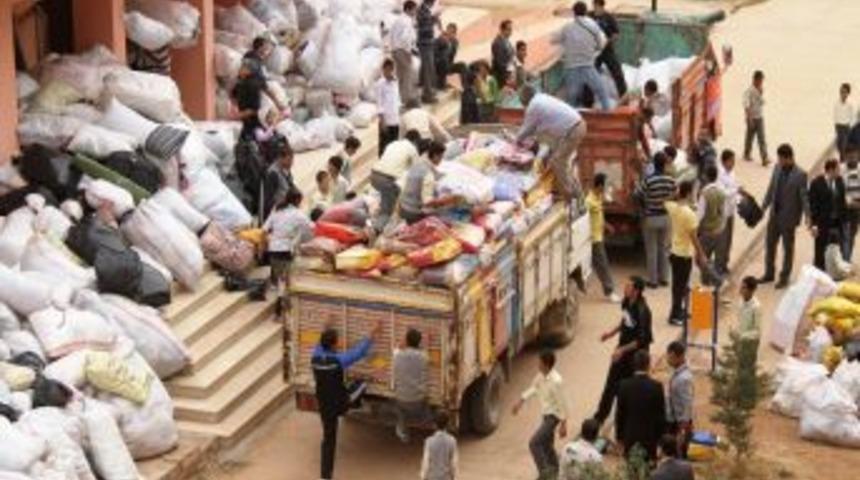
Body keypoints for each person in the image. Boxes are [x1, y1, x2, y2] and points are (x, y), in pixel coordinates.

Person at [312, 323, 382, 480]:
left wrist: (325, 327)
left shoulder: (314, 358)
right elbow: (358, 352)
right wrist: (372, 333)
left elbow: (319, 345)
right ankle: (356, 403)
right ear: (334, 344)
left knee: (328, 439)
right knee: (363, 383)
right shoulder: (338, 361)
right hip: (341, 404)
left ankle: (325, 476)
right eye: (337, 341)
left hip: (324, 406)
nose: (339, 343)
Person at [594, 277, 653, 425]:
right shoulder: (627, 302)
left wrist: (621, 350)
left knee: (628, 390)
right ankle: (600, 417)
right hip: (622, 350)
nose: (624, 288)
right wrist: (610, 334)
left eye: (628, 286)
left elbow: (641, 340)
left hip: (635, 357)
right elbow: (625, 321)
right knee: (610, 386)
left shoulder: (642, 311)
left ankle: (627, 420)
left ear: (636, 291)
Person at [514, 84, 587, 202]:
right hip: (575, 126)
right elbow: (536, 129)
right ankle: (571, 191)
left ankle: (571, 195)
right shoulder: (541, 98)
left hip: (572, 130)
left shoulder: (534, 105)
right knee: (558, 160)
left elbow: (527, 128)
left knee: (557, 161)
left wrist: (515, 141)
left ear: (524, 100)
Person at [512, 350, 569, 480]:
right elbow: (534, 388)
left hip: (553, 417)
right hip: (545, 415)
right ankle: (556, 469)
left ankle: (545, 475)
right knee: (547, 445)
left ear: (546, 365)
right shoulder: (541, 375)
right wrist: (520, 401)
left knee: (534, 443)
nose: (538, 364)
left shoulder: (557, 381)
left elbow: (563, 404)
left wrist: (563, 424)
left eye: (540, 362)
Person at [760, 144, 810, 289]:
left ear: (789, 158)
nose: (779, 161)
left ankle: (784, 277)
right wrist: (763, 208)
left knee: (787, 249)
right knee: (770, 246)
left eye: (781, 159)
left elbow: (804, 198)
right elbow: (771, 189)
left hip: (789, 219)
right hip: (774, 216)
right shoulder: (777, 168)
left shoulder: (801, 175)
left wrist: (808, 216)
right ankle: (769, 273)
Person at [552, 1, 610, 110]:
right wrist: (595, 52)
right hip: (588, 65)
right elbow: (602, 42)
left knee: (572, 99)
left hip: (572, 67)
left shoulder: (567, 27)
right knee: (602, 93)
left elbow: (553, 39)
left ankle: (571, 121)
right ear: (586, 12)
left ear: (574, 12)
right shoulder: (593, 25)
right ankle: (609, 115)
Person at [666, 181, 706, 326]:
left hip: (675, 252)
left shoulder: (673, 208)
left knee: (679, 285)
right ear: (689, 193)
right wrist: (701, 254)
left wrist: (677, 194)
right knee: (680, 286)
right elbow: (694, 237)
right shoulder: (689, 214)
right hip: (684, 254)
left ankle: (679, 310)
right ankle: (674, 315)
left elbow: (667, 200)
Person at [233, 36, 287, 140]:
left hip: (244, 93)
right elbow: (263, 85)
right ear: (261, 47)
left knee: (249, 126)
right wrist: (277, 102)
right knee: (260, 119)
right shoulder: (255, 61)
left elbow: (242, 76)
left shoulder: (249, 57)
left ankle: (248, 144)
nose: (268, 51)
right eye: (267, 47)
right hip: (251, 94)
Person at [616, 350, 666, 462]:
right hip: (650, 439)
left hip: (630, 437)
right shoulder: (657, 387)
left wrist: (619, 438)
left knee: (631, 472)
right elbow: (660, 416)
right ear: (648, 365)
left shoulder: (624, 385)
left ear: (634, 365)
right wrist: (660, 441)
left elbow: (620, 414)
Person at [636, 152, 676, 288]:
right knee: (664, 249)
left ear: (654, 164)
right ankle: (664, 278)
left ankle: (653, 281)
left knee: (651, 250)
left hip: (651, 217)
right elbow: (676, 195)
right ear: (665, 164)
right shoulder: (671, 180)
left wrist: (643, 207)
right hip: (666, 217)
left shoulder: (649, 180)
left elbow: (637, 194)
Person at [371, 130, 422, 232]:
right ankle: (375, 230)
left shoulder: (393, 143)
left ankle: (379, 223)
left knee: (394, 195)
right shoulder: (412, 148)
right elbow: (417, 171)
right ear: (415, 141)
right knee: (387, 210)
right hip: (386, 179)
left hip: (374, 175)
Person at [264, 188, 313, 295]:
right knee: (286, 278)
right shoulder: (298, 214)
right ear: (297, 201)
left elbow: (265, 228)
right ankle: (281, 298)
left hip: (273, 250)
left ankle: (277, 289)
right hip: (285, 251)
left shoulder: (276, 209)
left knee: (280, 277)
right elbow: (311, 227)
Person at [399, 140, 459, 224]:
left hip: (403, 206)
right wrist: (446, 200)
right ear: (435, 156)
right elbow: (427, 202)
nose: (441, 160)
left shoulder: (419, 162)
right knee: (444, 216)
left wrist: (445, 176)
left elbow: (434, 173)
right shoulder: (428, 175)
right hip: (413, 212)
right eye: (440, 157)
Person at [586, 173, 621, 303]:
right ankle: (610, 291)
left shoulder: (598, 196)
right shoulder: (589, 201)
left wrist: (607, 226)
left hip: (599, 235)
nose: (606, 188)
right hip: (594, 238)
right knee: (603, 265)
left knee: (600, 264)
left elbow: (599, 215)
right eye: (605, 186)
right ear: (600, 186)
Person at [393, 328, 430, 443]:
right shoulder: (423, 357)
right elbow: (425, 352)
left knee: (400, 411)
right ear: (419, 343)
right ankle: (426, 422)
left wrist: (402, 344)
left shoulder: (398, 355)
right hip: (418, 400)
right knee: (425, 405)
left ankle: (403, 432)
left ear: (406, 341)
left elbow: (397, 348)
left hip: (402, 399)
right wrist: (426, 343)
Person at [809, 158, 846, 271]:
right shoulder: (816, 183)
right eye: (837, 169)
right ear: (830, 170)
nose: (839, 171)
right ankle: (819, 273)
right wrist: (814, 224)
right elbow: (813, 205)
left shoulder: (839, 181)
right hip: (822, 223)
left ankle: (833, 273)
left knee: (835, 249)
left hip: (836, 223)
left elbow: (841, 201)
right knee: (820, 251)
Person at [696, 165, 727, 286]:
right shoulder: (721, 193)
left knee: (701, 259)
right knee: (713, 261)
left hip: (707, 232)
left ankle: (711, 282)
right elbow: (724, 214)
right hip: (719, 231)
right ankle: (714, 285)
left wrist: (696, 231)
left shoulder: (705, 193)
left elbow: (700, 215)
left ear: (706, 177)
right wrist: (721, 228)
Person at [590, 0, 626, 97]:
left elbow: (616, 34)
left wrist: (606, 42)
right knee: (590, 74)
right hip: (594, 52)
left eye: (596, 6)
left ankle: (623, 96)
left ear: (601, 6)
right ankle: (587, 101)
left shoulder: (609, 18)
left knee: (617, 73)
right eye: (594, 5)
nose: (595, 8)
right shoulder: (590, 17)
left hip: (607, 50)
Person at [665, 341, 694, 460]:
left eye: (671, 357)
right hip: (674, 420)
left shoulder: (684, 378)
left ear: (680, 357)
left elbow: (687, 403)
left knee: (679, 456)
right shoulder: (677, 373)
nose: (668, 360)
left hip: (680, 424)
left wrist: (682, 428)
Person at [715, 149, 740, 277]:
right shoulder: (719, 175)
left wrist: (738, 198)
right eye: (731, 161)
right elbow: (722, 193)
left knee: (728, 240)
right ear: (725, 161)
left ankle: (724, 264)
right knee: (721, 241)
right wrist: (735, 190)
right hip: (722, 213)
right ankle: (718, 267)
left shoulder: (732, 173)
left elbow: (735, 189)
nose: (733, 163)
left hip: (731, 211)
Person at [390, 1, 418, 104]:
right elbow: (405, 38)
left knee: (400, 75)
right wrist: (409, 51)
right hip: (402, 50)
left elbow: (392, 35)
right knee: (407, 73)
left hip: (395, 50)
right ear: (408, 9)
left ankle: (398, 98)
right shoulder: (406, 21)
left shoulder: (399, 20)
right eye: (414, 9)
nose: (415, 12)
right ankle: (406, 99)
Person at [262, 141, 297, 220]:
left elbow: (290, 186)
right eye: (289, 160)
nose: (291, 163)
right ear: (280, 158)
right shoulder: (273, 174)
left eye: (292, 160)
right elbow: (268, 201)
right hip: (278, 215)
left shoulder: (286, 170)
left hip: (287, 211)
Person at [416, 0, 443, 104]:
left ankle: (426, 92)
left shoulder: (426, 10)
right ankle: (428, 95)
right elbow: (423, 29)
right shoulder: (422, 10)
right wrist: (433, 19)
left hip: (428, 43)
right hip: (425, 44)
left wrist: (434, 19)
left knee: (428, 69)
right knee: (428, 69)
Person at [420, 411, 459, 480]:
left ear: (434, 425)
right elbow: (453, 463)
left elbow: (426, 462)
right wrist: (455, 477)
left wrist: (423, 477)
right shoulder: (452, 441)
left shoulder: (429, 441)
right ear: (448, 424)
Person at [376, 58, 402, 156]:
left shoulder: (395, 81)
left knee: (394, 144)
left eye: (391, 69)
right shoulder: (380, 84)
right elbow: (379, 103)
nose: (389, 72)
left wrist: (400, 115)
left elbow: (397, 98)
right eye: (386, 69)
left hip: (395, 118)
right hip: (386, 120)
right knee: (384, 145)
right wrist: (382, 121)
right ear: (383, 69)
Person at [743, 70, 769, 166]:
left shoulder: (760, 90)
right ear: (755, 79)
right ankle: (747, 153)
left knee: (761, 138)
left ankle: (764, 158)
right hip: (752, 118)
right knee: (750, 138)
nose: (761, 83)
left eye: (762, 81)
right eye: (760, 80)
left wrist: (761, 94)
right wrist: (749, 119)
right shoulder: (748, 91)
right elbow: (746, 106)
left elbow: (763, 103)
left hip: (760, 117)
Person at [737, 276, 762, 368]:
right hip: (741, 339)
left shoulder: (756, 307)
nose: (740, 289)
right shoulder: (741, 302)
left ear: (751, 290)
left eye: (744, 288)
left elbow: (757, 332)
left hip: (750, 342)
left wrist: (743, 336)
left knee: (748, 368)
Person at [843, 149, 860, 260]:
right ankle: (845, 260)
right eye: (850, 156)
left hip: (857, 209)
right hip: (845, 209)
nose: (852, 158)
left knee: (852, 235)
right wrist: (848, 201)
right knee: (846, 236)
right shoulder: (840, 170)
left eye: (854, 156)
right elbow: (839, 189)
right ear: (846, 156)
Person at [434, 23, 462, 89]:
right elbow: (435, 54)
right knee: (443, 60)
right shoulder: (439, 40)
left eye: (452, 32)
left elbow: (452, 55)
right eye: (448, 31)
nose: (449, 34)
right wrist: (444, 43)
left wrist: (449, 43)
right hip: (438, 65)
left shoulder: (455, 42)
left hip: (448, 64)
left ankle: (467, 87)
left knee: (462, 65)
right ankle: (441, 84)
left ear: (454, 34)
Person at [834, 83, 855, 161]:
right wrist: (836, 125)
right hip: (838, 126)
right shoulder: (837, 102)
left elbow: (852, 116)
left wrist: (850, 127)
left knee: (844, 145)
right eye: (841, 91)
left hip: (846, 126)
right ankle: (842, 157)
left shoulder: (850, 104)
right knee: (839, 145)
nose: (842, 94)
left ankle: (843, 159)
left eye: (844, 92)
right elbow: (835, 114)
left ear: (848, 93)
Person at [491, 19, 515, 85]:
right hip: (502, 78)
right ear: (502, 30)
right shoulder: (497, 43)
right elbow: (500, 63)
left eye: (511, 29)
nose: (511, 32)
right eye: (509, 29)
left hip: (507, 75)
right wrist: (510, 71)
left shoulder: (506, 41)